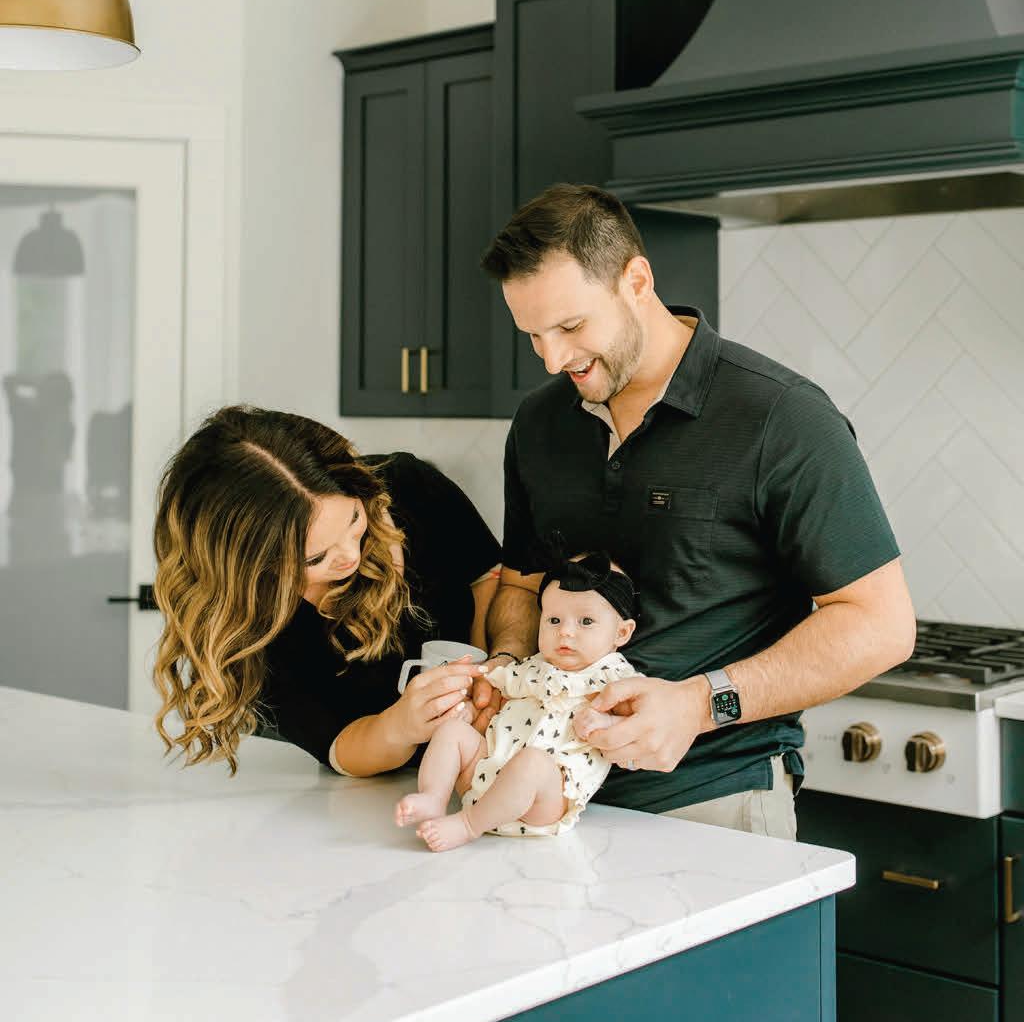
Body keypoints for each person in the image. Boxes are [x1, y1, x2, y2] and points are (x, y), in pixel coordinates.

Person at [477, 183, 917, 840]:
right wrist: (508, 664)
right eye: (533, 335)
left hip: (712, 800)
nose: (553, 357)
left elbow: (882, 625)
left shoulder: (782, 417)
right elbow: (521, 584)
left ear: (636, 281)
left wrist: (700, 704)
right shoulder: (539, 423)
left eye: (570, 326)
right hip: (539, 799)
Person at [152, 405, 503, 776]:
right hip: (379, 790)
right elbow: (337, 746)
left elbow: (488, 576)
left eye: (354, 519)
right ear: (250, 568)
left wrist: (489, 668)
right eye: (316, 558)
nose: (351, 555)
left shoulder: (408, 486)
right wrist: (399, 728)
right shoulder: (250, 627)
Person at [395, 551, 638, 851]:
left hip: (542, 800)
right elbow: (495, 682)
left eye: (586, 621)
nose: (565, 631)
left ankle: (468, 824)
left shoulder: (616, 678)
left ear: (621, 632)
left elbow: (634, 728)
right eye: (554, 620)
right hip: (485, 774)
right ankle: (434, 796)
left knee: (533, 762)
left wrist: (606, 721)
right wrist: (469, 689)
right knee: (452, 732)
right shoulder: (534, 666)